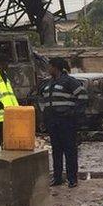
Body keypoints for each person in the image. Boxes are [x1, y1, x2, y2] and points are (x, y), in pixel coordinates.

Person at [39, 57, 88, 188]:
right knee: (56, 151)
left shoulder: (70, 81)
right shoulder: (48, 84)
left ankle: (72, 179)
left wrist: (72, 113)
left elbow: (83, 96)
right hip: (53, 122)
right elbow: (44, 103)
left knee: (70, 150)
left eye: (49, 66)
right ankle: (57, 177)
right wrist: (44, 120)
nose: (48, 69)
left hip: (67, 122)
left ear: (56, 67)